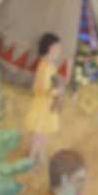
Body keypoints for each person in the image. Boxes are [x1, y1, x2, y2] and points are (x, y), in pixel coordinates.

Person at [25, 32, 65, 165]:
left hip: (47, 104)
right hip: (42, 104)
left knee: (44, 132)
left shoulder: (50, 65)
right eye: (57, 48)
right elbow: (42, 87)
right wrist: (56, 91)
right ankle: (31, 157)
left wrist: (57, 91)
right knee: (38, 133)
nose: (59, 51)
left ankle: (40, 155)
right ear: (50, 48)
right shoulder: (45, 66)